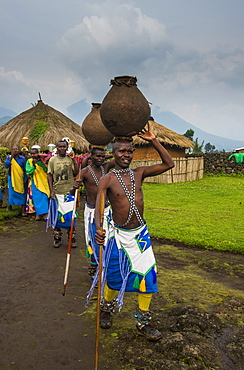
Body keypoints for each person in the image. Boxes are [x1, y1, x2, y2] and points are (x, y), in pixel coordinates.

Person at [94, 123, 174, 341]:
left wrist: (153, 140)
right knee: (114, 277)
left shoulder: (140, 173)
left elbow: (169, 163)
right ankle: (106, 309)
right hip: (118, 237)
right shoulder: (107, 179)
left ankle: (143, 323)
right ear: (113, 152)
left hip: (140, 237)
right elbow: (98, 210)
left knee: (147, 277)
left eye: (130, 151)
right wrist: (99, 229)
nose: (126, 155)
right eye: (121, 151)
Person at [71, 146, 114, 281]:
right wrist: (74, 187)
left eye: (103, 156)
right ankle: (95, 267)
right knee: (94, 240)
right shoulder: (84, 172)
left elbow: (118, 158)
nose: (101, 159)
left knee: (107, 239)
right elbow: (72, 193)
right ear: (91, 157)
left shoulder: (105, 168)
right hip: (91, 211)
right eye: (98, 156)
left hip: (106, 210)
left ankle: (105, 268)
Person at [47, 140, 79, 248]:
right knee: (57, 217)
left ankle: (71, 237)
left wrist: (74, 160)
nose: (62, 148)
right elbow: (50, 175)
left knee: (70, 217)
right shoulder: (52, 160)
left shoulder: (70, 159)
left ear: (67, 148)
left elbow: (76, 173)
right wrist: (51, 191)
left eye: (64, 147)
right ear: (57, 148)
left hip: (68, 193)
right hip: (57, 192)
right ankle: (57, 237)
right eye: (60, 146)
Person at [26, 147, 50, 220]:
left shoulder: (43, 161)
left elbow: (47, 170)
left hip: (44, 182)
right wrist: (33, 165)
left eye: (35, 153)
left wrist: (40, 163)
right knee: (37, 198)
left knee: (45, 197)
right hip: (35, 182)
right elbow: (28, 172)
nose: (33, 155)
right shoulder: (29, 161)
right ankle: (38, 214)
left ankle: (46, 214)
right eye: (32, 154)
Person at [4, 146, 27, 216]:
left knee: (22, 192)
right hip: (12, 177)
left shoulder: (22, 159)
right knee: (11, 192)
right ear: (11, 151)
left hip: (20, 178)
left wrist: (25, 178)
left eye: (16, 149)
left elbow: (25, 169)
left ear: (18, 150)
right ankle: (9, 206)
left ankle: (23, 210)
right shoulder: (9, 158)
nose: (15, 150)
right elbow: (6, 165)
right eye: (13, 149)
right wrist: (11, 157)